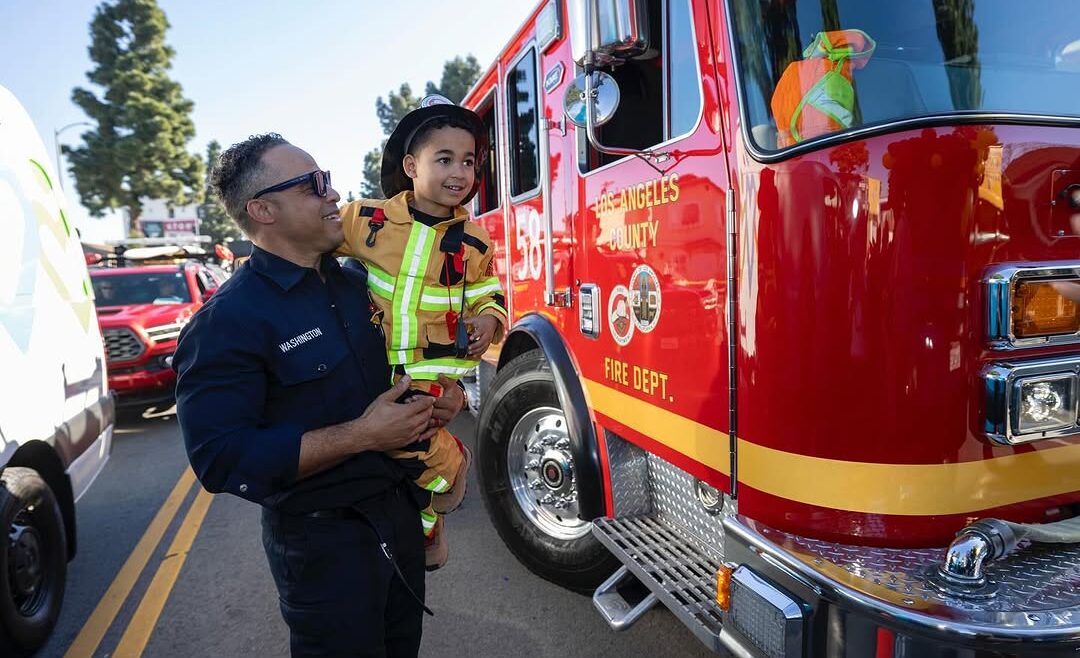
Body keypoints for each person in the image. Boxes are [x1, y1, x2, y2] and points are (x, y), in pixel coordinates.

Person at [172, 133, 466, 657]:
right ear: (262, 209)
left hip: (400, 514)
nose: (333, 194)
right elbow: (220, 459)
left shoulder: (362, 285)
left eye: (327, 180)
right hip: (324, 546)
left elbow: (416, 360)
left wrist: (449, 397)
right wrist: (361, 436)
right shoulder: (227, 322)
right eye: (314, 185)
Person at [336, 95, 507, 570]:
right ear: (411, 165)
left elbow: (490, 293)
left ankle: (430, 515)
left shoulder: (476, 240)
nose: (460, 172)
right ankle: (439, 494)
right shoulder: (365, 219)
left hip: (433, 375)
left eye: (469, 161)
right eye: (444, 158)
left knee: (406, 445)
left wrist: (489, 319)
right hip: (374, 369)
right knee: (403, 458)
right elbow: (313, 246)